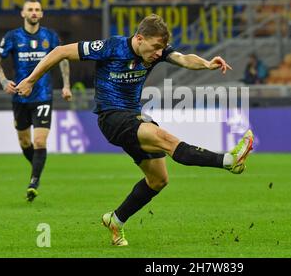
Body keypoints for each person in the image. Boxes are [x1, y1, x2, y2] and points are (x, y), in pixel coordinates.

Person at [15, 14, 254, 246]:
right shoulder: (111, 47)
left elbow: (182, 58)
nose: (159, 53)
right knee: (164, 138)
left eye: (162, 48)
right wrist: (31, 80)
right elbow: (59, 52)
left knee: (158, 180)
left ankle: (115, 220)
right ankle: (228, 161)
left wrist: (207, 64)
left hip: (134, 117)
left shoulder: (157, 52)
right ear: (139, 38)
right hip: (111, 117)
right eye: (155, 47)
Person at [0, 0, 72, 202]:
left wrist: (66, 85)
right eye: (30, 9)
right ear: (23, 13)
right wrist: (3, 82)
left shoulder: (50, 36)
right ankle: (37, 166)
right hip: (20, 96)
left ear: (42, 14)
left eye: (37, 9)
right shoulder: (13, 36)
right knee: (25, 141)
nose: (34, 12)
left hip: (43, 96)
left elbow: (63, 59)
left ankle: (34, 181)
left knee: (39, 141)